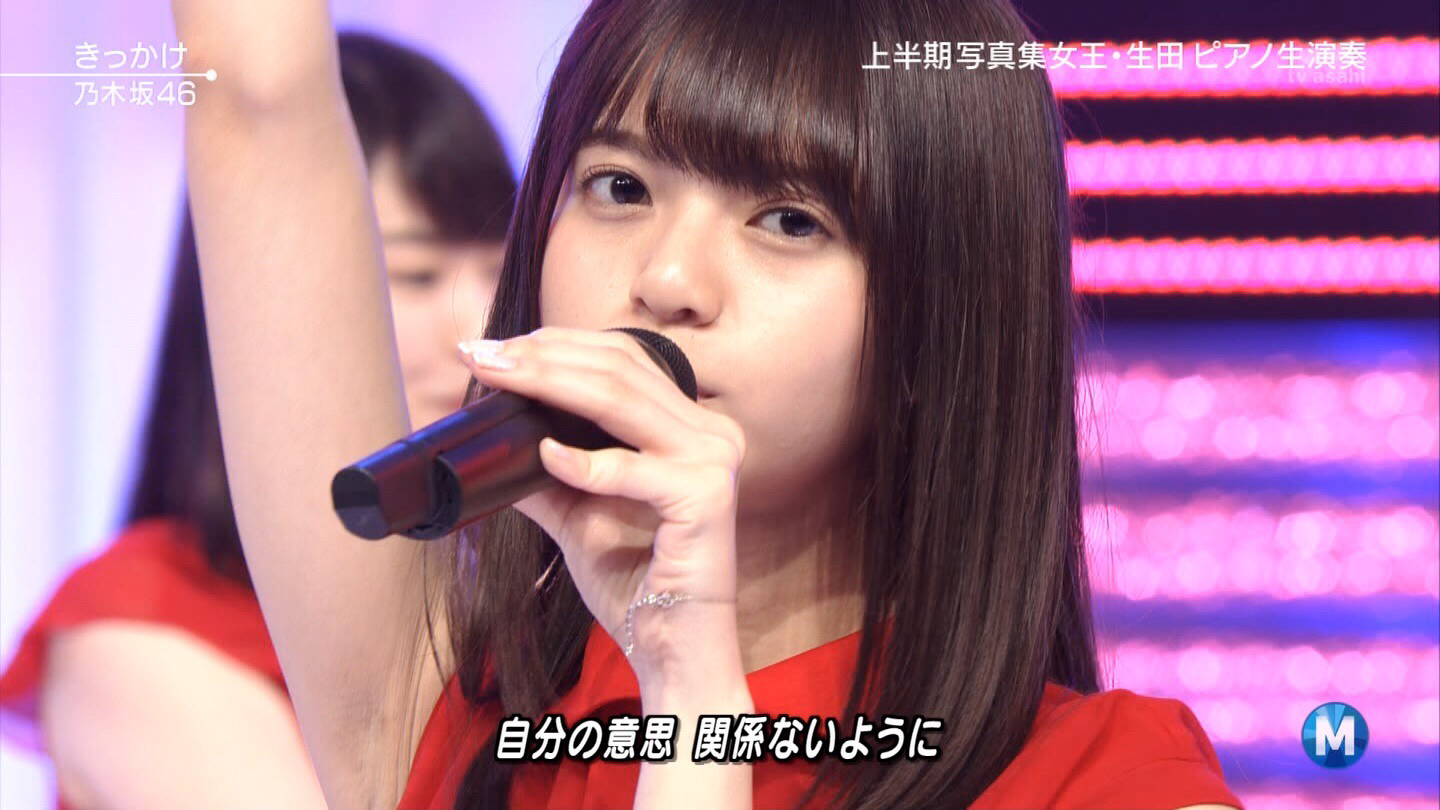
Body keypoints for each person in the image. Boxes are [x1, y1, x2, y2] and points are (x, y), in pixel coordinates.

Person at [170, 0, 1245, 808]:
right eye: (620, 187)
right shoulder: (452, 715)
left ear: (942, 324)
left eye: (789, 221)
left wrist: (693, 693)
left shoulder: (1109, 782)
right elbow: (257, 92)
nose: (668, 278)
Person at [0, 31, 516, 810]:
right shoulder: (141, 625)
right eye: (414, 275)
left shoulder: (538, 593)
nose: (479, 328)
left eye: (502, 271)